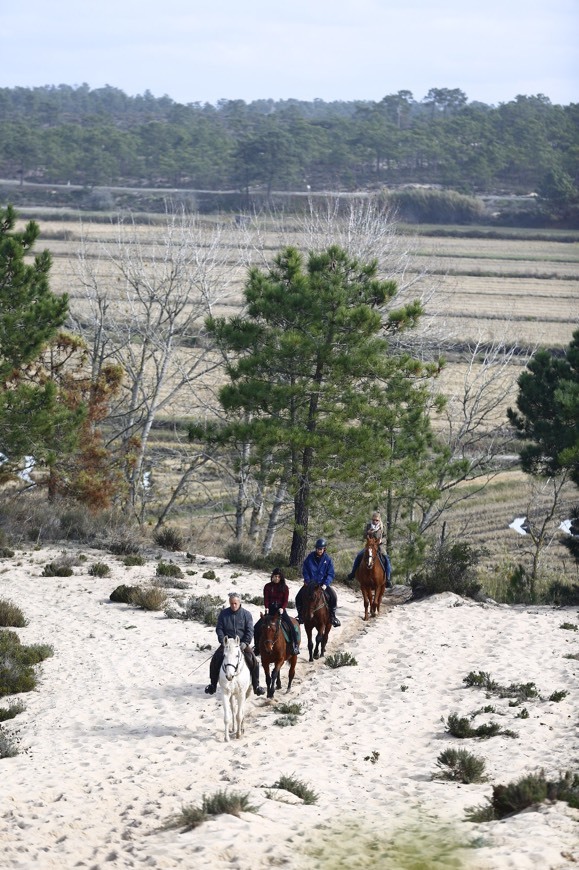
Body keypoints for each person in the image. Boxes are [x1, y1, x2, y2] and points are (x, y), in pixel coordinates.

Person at [204, 592, 265, 696]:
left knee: (254, 660)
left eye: (235, 603)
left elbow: (250, 630)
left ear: (239, 602)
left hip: (241, 643)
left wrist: (245, 642)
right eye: (231, 603)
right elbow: (219, 628)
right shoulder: (223, 614)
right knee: (215, 659)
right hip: (227, 644)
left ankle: (256, 686)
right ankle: (212, 685)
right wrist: (223, 640)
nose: (233, 605)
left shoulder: (246, 614)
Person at [253, 568, 300, 656]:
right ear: (272, 576)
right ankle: (257, 647)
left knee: (291, 626)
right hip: (270, 611)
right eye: (275, 576)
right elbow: (266, 598)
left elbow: (285, 600)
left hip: (280, 611)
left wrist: (282, 608)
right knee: (257, 627)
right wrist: (266, 607)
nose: (277, 578)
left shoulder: (285, 588)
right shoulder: (267, 586)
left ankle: (294, 645)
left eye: (278, 577)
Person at [296, 537, 341, 627]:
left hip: (322, 584)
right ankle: (300, 615)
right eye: (318, 548)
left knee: (333, 596)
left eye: (321, 549)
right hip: (310, 584)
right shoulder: (309, 558)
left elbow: (330, 573)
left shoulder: (327, 560)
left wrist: (325, 584)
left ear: (324, 549)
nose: (319, 550)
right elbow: (305, 570)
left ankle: (332, 617)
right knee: (298, 597)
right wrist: (307, 581)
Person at [347, 510, 392, 587]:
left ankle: (387, 579)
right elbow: (364, 536)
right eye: (373, 520)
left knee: (386, 559)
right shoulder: (368, 526)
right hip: (369, 546)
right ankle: (353, 573)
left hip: (379, 546)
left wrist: (381, 540)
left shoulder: (382, 527)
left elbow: (385, 537)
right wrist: (368, 533)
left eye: (376, 520)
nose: (375, 521)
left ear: (379, 520)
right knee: (359, 556)